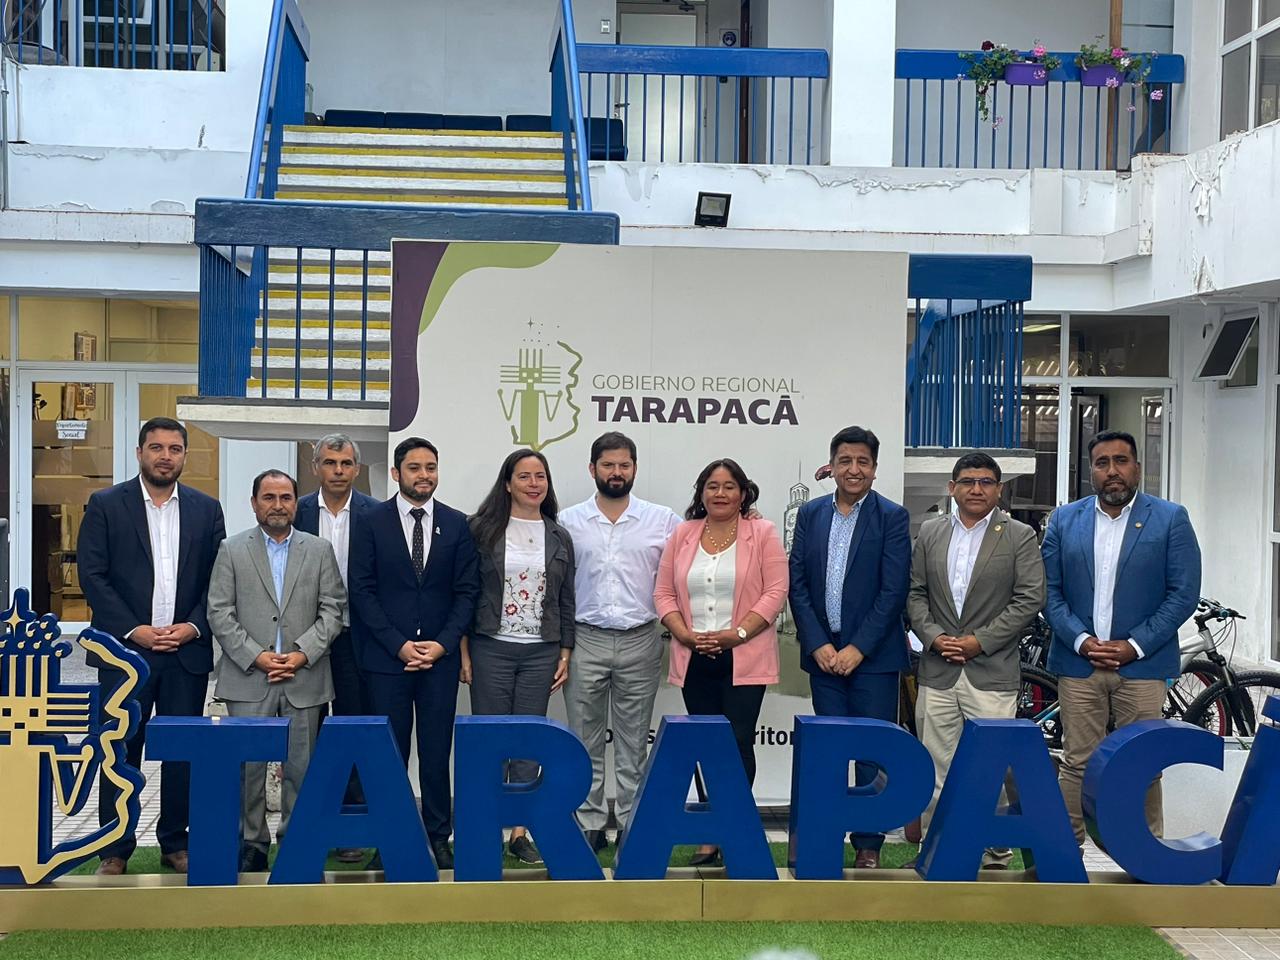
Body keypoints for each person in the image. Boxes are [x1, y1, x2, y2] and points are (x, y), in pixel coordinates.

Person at [78, 416, 226, 875]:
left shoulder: (206, 509)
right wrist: (133, 629)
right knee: (120, 750)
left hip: (185, 653)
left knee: (183, 751)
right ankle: (114, 848)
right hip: (124, 654)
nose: (166, 456)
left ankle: (175, 842)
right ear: (140, 452)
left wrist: (194, 626)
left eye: (174, 449)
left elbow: (218, 580)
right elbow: (93, 575)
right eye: (157, 448)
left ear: (184, 456)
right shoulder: (106, 504)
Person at [1043, 429, 1201, 847]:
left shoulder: (1170, 518)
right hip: (1079, 664)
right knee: (1077, 762)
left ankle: (1146, 855)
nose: (1112, 470)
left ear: (1137, 467)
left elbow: (1183, 593)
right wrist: (1081, 640)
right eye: (1102, 463)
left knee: (1143, 763)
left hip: (1143, 666)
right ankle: (1066, 855)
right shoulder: (1064, 520)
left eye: (1121, 460)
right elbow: (1048, 591)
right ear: (1090, 471)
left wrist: (1135, 645)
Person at [906, 452, 1045, 869]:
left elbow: (1029, 598)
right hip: (939, 670)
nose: (976, 489)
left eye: (986, 482)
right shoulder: (930, 532)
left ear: (999, 490)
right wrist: (934, 638)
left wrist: (978, 642)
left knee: (991, 768)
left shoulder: (1019, 535)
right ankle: (936, 851)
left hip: (991, 671)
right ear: (952, 488)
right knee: (937, 767)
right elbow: (915, 594)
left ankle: (995, 850)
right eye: (967, 481)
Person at [348, 437, 480, 871]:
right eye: (415, 468)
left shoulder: (458, 524)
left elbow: (467, 592)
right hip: (387, 660)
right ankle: (389, 839)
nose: (424, 475)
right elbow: (362, 591)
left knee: (436, 752)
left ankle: (438, 836)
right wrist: (398, 644)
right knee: (389, 754)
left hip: (438, 661)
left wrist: (442, 644)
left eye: (430, 468)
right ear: (396, 473)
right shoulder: (370, 522)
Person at [206, 470, 345, 872]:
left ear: (296, 503)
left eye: (285, 497)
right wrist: (257, 656)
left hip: (304, 676)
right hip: (250, 677)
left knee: (301, 767)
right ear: (254, 503)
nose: (278, 505)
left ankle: (295, 840)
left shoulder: (318, 550)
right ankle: (253, 843)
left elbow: (333, 609)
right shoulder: (232, 550)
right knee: (248, 769)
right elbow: (219, 612)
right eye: (269, 497)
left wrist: (302, 654)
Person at [654, 458, 788, 867]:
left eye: (729, 486)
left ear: (743, 493)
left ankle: (734, 830)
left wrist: (738, 634)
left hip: (744, 657)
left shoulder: (762, 532)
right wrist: (683, 633)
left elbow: (776, 591)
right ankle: (711, 833)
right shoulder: (683, 533)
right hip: (694, 656)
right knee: (705, 744)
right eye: (712, 486)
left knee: (738, 741)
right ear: (701, 493)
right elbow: (663, 593)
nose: (720, 493)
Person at [787, 425, 910, 869]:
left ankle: (867, 845)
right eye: (845, 461)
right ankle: (824, 837)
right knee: (828, 752)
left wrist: (858, 647)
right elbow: (797, 583)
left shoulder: (892, 517)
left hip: (872, 659)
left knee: (871, 754)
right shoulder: (810, 514)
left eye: (862, 461)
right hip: (824, 657)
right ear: (832, 466)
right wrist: (818, 643)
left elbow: (893, 591)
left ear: (874, 469)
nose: (853, 469)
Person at [559, 432, 680, 852]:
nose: (616, 472)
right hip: (585, 639)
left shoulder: (662, 520)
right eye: (608, 465)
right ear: (592, 469)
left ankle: (631, 823)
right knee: (583, 741)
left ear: (635, 469)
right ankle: (590, 823)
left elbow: (698, 549)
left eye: (624, 465)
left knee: (633, 743)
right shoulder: (568, 521)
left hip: (640, 639)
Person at [465, 448, 576, 865]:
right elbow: (467, 592)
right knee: (491, 741)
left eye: (540, 476)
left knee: (529, 741)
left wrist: (565, 650)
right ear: (508, 483)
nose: (534, 484)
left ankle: (519, 831)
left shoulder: (559, 535)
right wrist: (463, 650)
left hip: (541, 651)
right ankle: (487, 829)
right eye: (525, 476)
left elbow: (566, 599)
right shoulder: (481, 530)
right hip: (490, 646)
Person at [294, 433, 378, 863]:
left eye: (346, 463)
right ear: (316, 467)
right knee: (306, 735)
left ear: (356, 469)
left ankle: (349, 827)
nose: (338, 470)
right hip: (304, 639)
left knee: (350, 730)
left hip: (358, 639)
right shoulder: (296, 511)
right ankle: (308, 823)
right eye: (330, 462)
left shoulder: (376, 513)